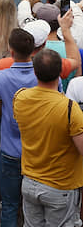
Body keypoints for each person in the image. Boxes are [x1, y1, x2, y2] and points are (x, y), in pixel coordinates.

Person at [14, 48, 83, 227]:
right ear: (61, 72)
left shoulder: (20, 97)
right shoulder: (69, 108)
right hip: (60, 187)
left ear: (34, 71)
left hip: (29, 182)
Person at [0, 28, 37, 227]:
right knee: (34, 208)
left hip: (10, 151)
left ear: (11, 50)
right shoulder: (45, 77)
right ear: (33, 51)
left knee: (9, 205)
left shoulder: (0, 78)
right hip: (38, 152)